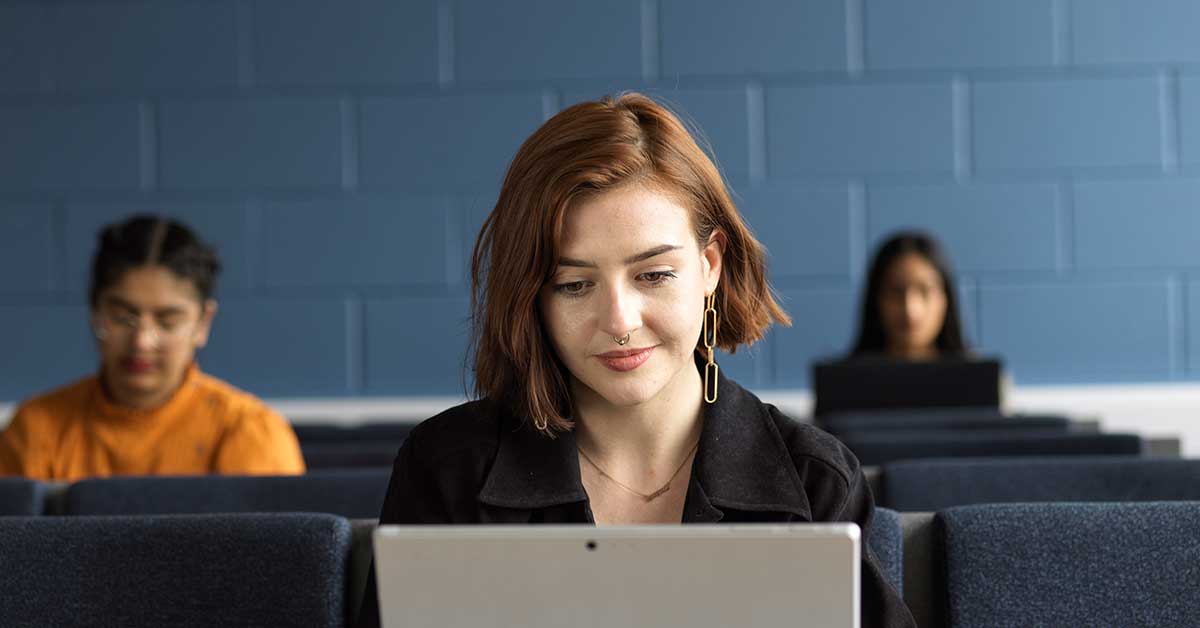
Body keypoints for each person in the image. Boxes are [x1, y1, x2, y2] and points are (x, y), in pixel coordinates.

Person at [356, 93, 915, 627]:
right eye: (573, 285)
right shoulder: (447, 471)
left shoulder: (815, 480)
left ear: (710, 266)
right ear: (533, 297)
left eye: (653, 274)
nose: (620, 321)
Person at [0, 214, 305, 480]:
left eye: (168, 321)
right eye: (122, 317)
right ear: (95, 311)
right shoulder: (36, 430)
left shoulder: (248, 432)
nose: (142, 341)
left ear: (203, 323)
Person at [850, 231, 969, 360]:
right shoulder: (842, 378)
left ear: (946, 298)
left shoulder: (976, 378)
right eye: (896, 291)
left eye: (925, 290)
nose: (910, 309)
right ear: (876, 299)